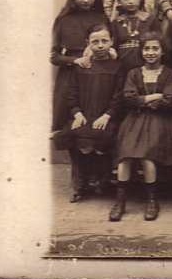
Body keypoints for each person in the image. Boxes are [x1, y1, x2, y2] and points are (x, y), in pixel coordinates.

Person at [109, 31, 172, 221]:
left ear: (162, 51)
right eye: (146, 49)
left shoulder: (169, 74)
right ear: (141, 52)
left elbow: (170, 100)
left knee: (147, 157)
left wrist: (144, 101)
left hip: (160, 121)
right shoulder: (134, 73)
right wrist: (153, 97)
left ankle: (151, 200)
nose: (150, 52)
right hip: (134, 121)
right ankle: (120, 201)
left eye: (155, 48)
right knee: (125, 158)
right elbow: (128, 99)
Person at [53, 23, 123, 203]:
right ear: (88, 43)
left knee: (104, 137)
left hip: (106, 116)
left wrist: (108, 115)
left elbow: (118, 96)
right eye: (95, 41)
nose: (100, 45)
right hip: (84, 114)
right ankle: (79, 184)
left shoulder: (117, 66)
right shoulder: (82, 66)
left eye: (104, 41)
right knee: (74, 135)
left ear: (112, 42)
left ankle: (101, 180)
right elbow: (72, 93)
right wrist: (77, 113)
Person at [50, 0, 109, 135]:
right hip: (70, 74)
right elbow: (54, 56)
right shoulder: (63, 20)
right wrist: (76, 60)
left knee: (94, 123)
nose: (86, 0)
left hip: (96, 73)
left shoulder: (102, 18)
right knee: (68, 123)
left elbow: (110, 44)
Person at [110, 0, 160, 73]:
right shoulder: (116, 23)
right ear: (119, 1)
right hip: (123, 65)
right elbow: (114, 45)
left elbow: (158, 43)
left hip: (144, 63)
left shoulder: (150, 19)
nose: (130, 1)